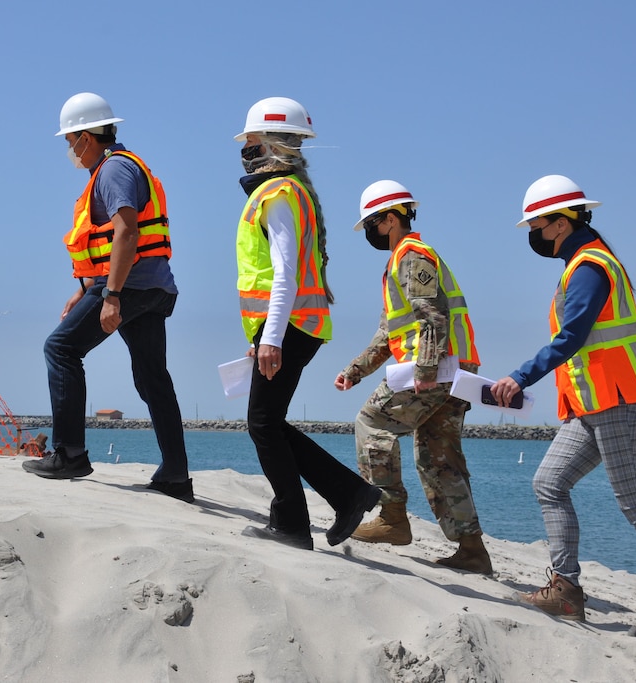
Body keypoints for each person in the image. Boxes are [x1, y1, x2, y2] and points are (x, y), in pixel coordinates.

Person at [488, 174, 636, 641]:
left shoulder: (589, 266)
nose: (533, 234)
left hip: (623, 402)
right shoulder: (579, 264)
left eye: (536, 225)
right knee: (549, 483)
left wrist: (519, 377)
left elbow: (571, 339)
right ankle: (566, 589)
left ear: (560, 223)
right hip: (595, 406)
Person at [22, 92, 193, 504]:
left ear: (85, 137)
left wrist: (111, 295)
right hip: (153, 286)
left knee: (60, 349)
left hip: (128, 285)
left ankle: (69, 454)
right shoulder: (126, 164)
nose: (69, 150)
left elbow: (127, 232)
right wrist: (83, 290)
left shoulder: (112, 170)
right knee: (152, 378)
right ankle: (176, 475)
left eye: (70, 141)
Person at [234, 97, 380, 550]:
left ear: (270, 147)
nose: (245, 151)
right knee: (269, 422)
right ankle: (347, 494)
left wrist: (271, 338)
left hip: (292, 326)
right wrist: (262, 337)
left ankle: (295, 523)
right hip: (297, 326)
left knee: (262, 424)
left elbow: (285, 274)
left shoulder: (278, 194)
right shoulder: (293, 191)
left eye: (252, 143)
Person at [334, 180, 492, 574]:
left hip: (434, 370)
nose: (369, 232)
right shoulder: (402, 260)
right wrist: (355, 370)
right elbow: (391, 333)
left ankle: (391, 517)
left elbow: (432, 315)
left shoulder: (410, 255)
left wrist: (423, 371)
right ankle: (472, 548)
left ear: (389, 219)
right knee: (439, 457)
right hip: (453, 370)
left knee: (371, 423)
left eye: (371, 223)